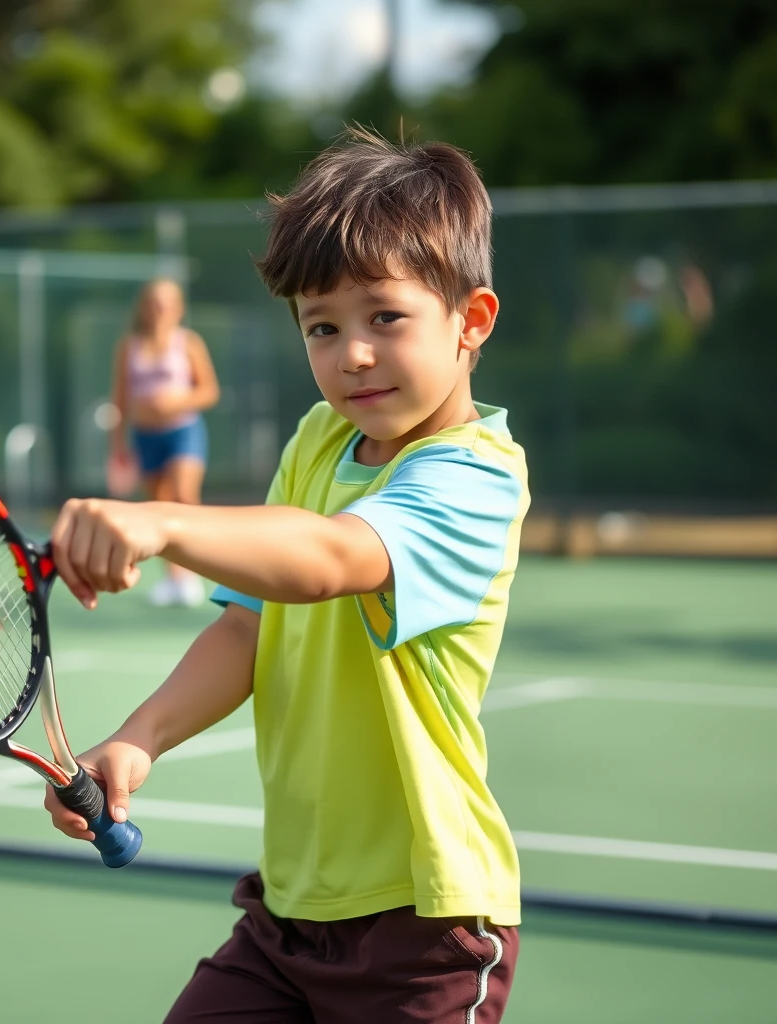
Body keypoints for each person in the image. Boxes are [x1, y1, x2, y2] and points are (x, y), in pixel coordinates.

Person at [46, 128, 530, 1023]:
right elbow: (249, 625)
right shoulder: (318, 439)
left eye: (385, 316)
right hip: (288, 913)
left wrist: (162, 522)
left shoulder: (476, 475)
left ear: (470, 321)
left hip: (425, 925)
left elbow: (328, 559)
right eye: (322, 325)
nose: (351, 353)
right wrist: (140, 736)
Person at [108, 278, 219, 607]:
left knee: (183, 496)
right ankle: (175, 578)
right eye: (155, 303)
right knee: (158, 507)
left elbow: (209, 391)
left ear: (179, 309)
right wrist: (117, 450)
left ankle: (196, 571)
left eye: (168, 303)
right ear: (144, 307)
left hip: (183, 432)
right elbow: (120, 401)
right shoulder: (129, 346)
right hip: (145, 438)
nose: (161, 310)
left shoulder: (188, 343)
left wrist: (176, 402)